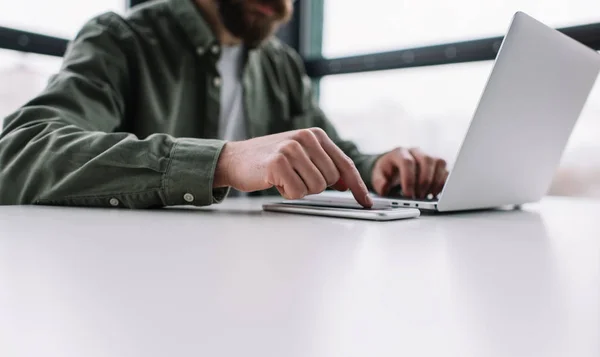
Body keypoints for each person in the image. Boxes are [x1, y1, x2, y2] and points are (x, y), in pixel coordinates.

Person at [0, 0, 448, 209]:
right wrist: (223, 161)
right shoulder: (120, 40)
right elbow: (18, 154)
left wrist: (379, 168)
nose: (282, 8)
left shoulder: (281, 64)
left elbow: (331, 152)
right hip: (143, 287)